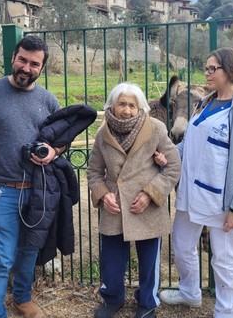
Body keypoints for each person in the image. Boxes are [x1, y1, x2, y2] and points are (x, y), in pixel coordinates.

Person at [159, 48, 233, 318]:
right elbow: (188, 145)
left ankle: (225, 310)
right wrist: (168, 155)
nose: (206, 73)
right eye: (206, 68)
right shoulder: (204, 103)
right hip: (190, 192)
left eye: (212, 68)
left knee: (224, 257)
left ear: (229, 71)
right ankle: (190, 293)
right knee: (182, 245)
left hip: (221, 200)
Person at [0, 35, 64, 318]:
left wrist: (53, 151)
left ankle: (22, 298)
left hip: (38, 190)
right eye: (23, 59)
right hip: (2, 190)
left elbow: (63, 137)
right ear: (13, 58)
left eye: (34, 63)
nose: (26, 67)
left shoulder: (48, 100)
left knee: (29, 251)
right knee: (1, 258)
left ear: (41, 68)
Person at [87, 82, 181, 318]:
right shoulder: (102, 133)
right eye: (122, 104)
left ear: (140, 107)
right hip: (115, 205)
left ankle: (147, 302)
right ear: (112, 105)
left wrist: (151, 194)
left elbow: (173, 167)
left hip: (145, 205)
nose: (126, 110)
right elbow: (94, 172)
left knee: (149, 261)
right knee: (111, 260)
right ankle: (112, 298)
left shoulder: (156, 129)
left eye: (132, 105)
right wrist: (102, 194)